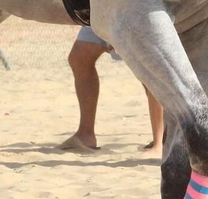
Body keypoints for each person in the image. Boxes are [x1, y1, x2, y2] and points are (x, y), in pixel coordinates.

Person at [60, 25, 165, 155]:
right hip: (99, 11)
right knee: (79, 58)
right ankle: (85, 134)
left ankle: (160, 142)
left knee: (148, 68)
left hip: (130, 11)